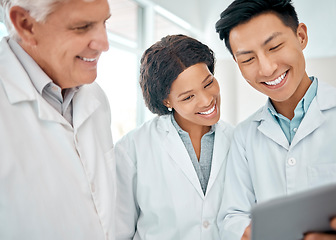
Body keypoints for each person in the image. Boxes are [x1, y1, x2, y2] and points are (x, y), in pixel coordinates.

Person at [215, 0, 336, 239]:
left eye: (275, 46)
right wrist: (249, 232)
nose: (267, 68)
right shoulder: (244, 136)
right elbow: (232, 216)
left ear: (301, 36)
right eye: (248, 59)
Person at [0, 0, 115, 239]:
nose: (104, 44)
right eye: (83, 26)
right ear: (26, 24)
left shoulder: (95, 97)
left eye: (104, 22)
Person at [114, 34, 234, 240]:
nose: (206, 100)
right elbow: (118, 230)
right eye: (188, 97)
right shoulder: (133, 148)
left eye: (208, 83)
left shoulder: (238, 140)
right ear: (166, 101)